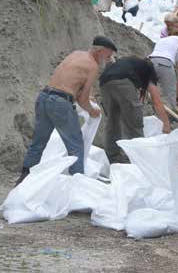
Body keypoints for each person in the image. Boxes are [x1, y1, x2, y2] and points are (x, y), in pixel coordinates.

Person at [16, 37, 117, 185]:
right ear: (100, 51)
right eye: (108, 56)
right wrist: (92, 111)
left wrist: (86, 96)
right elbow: (82, 99)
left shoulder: (76, 54)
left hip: (44, 97)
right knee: (76, 146)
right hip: (60, 103)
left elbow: (68, 81)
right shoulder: (93, 66)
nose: (108, 60)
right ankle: (77, 187)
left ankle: (23, 179)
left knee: (38, 142)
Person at [100, 56, 171, 163]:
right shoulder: (149, 68)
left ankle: (113, 156)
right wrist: (166, 124)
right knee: (134, 122)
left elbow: (139, 98)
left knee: (112, 120)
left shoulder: (131, 63)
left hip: (104, 81)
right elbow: (156, 100)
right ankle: (140, 158)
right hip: (122, 81)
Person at [149, 30, 178, 112]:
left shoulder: (164, 40)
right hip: (165, 62)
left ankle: (155, 111)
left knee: (152, 90)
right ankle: (173, 115)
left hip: (150, 61)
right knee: (170, 92)